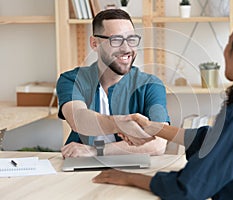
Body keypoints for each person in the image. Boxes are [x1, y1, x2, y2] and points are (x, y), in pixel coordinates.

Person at [92, 12, 233, 199]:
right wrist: (155, 128)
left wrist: (128, 178)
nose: (225, 51)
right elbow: (214, 141)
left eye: (229, 43)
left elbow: (188, 188)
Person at [56, 9, 169, 158]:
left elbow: (158, 144)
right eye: (116, 40)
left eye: (131, 39)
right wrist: (120, 124)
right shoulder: (72, 80)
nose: (127, 48)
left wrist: (96, 151)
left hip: (128, 170)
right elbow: (79, 119)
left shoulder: (151, 85)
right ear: (95, 43)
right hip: (78, 163)